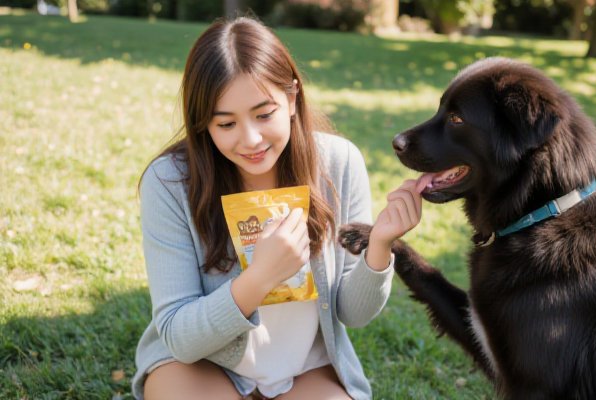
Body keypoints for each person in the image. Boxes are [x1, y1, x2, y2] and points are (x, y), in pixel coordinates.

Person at [131, 17, 423, 400]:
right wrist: (261, 276)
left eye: (263, 114)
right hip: (199, 365)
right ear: (203, 124)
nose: (250, 139)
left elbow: (353, 313)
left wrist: (379, 247)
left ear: (292, 97)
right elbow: (180, 337)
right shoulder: (169, 182)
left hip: (306, 368)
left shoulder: (338, 163)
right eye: (226, 123)